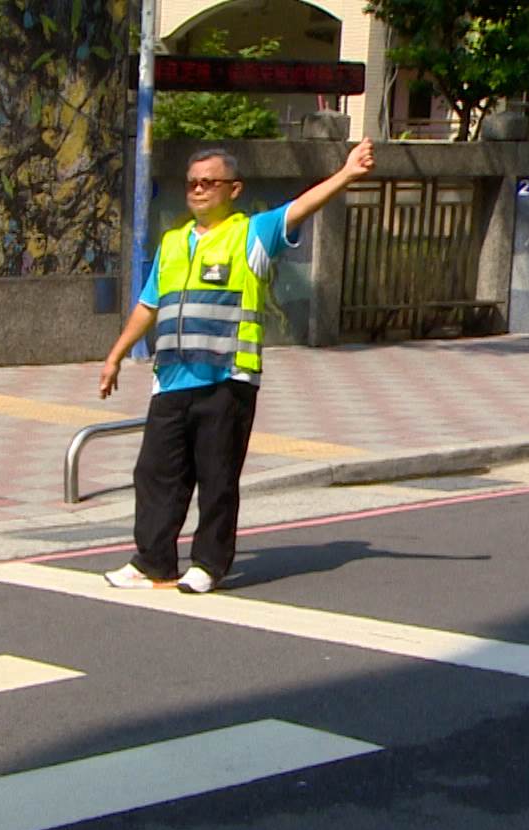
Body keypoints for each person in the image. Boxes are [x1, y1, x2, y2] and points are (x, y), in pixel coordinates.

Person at [97, 139, 375, 594]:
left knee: (217, 478)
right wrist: (115, 356)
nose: (199, 190)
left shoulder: (252, 235)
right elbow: (148, 305)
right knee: (154, 474)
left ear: (234, 189)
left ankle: (208, 563)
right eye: (192, 184)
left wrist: (345, 175)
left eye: (210, 182)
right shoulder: (171, 244)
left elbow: (298, 208)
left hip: (227, 379)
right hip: (170, 379)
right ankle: (153, 561)